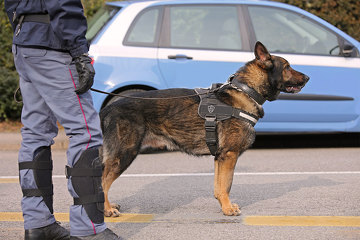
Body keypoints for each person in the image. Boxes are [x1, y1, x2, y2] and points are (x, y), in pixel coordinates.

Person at [4, 1, 122, 239]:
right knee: (85, 133)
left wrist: (25, 32)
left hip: (26, 43)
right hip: (52, 45)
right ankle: (89, 229)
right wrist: (79, 52)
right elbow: (63, 3)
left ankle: (38, 224)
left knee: (35, 133)